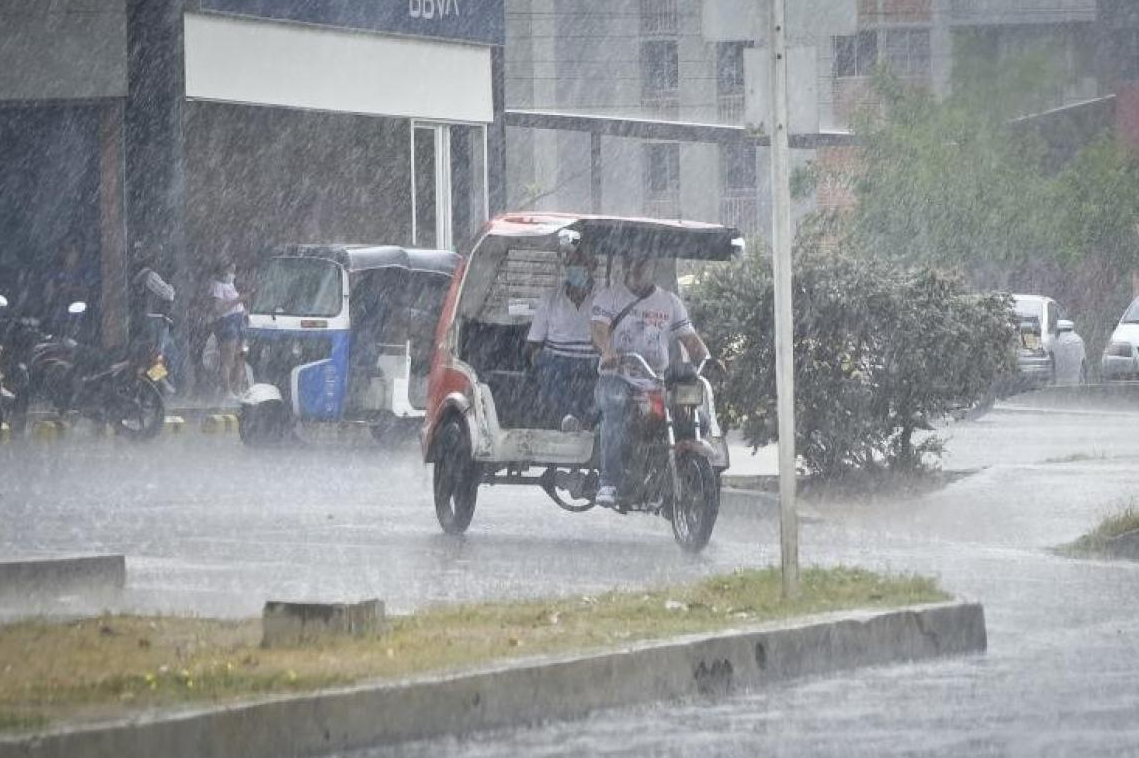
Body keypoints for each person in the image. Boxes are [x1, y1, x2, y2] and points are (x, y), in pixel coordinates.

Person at [590, 251, 710, 507]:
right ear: (623, 265)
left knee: (698, 420)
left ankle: (676, 473)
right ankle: (608, 482)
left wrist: (709, 359)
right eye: (630, 261)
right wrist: (608, 351)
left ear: (653, 265)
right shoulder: (609, 297)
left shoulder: (670, 302)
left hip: (657, 381)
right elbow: (598, 329)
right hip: (617, 376)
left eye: (641, 261)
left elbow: (690, 338)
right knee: (615, 406)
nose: (635, 267)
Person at [526, 245, 598, 430]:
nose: (577, 268)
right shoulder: (550, 298)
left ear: (592, 267)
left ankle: (591, 422)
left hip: (591, 360)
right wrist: (537, 357)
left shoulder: (604, 298)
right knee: (548, 368)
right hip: (557, 360)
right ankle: (566, 418)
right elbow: (534, 341)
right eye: (573, 264)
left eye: (582, 264)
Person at [129, 251, 179, 393]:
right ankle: (158, 384)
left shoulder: (139, 277)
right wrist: (171, 286)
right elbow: (168, 294)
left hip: (153, 319)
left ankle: (159, 383)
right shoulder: (150, 276)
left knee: (165, 353)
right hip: (155, 319)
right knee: (160, 353)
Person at [208, 260, 250, 401]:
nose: (233, 273)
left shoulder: (230, 283)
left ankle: (238, 389)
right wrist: (238, 300)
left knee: (241, 357)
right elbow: (218, 308)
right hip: (228, 322)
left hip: (239, 320)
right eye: (230, 270)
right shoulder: (218, 286)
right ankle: (227, 390)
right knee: (228, 359)